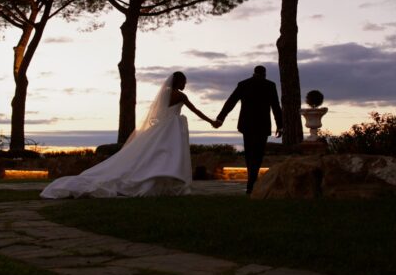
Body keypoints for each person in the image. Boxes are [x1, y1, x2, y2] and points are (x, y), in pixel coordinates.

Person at [41, 71, 217, 198]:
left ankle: (161, 181)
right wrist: (211, 121)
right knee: (169, 154)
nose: (185, 85)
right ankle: (164, 182)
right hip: (171, 129)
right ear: (178, 82)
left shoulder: (163, 94)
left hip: (161, 127)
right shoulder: (180, 96)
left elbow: (157, 113)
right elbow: (196, 110)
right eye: (184, 81)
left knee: (155, 153)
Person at [215, 66, 283, 195]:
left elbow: (231, 102)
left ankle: (251, 183)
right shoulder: (269, 85)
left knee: (250, 154)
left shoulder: (244, 84)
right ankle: (252, 182)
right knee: (258, 155)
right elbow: (276, 106)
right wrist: (280, 125)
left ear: (254, 73)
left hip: (247, 124)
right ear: (264, 73)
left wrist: (220, 118)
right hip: (262, 125)